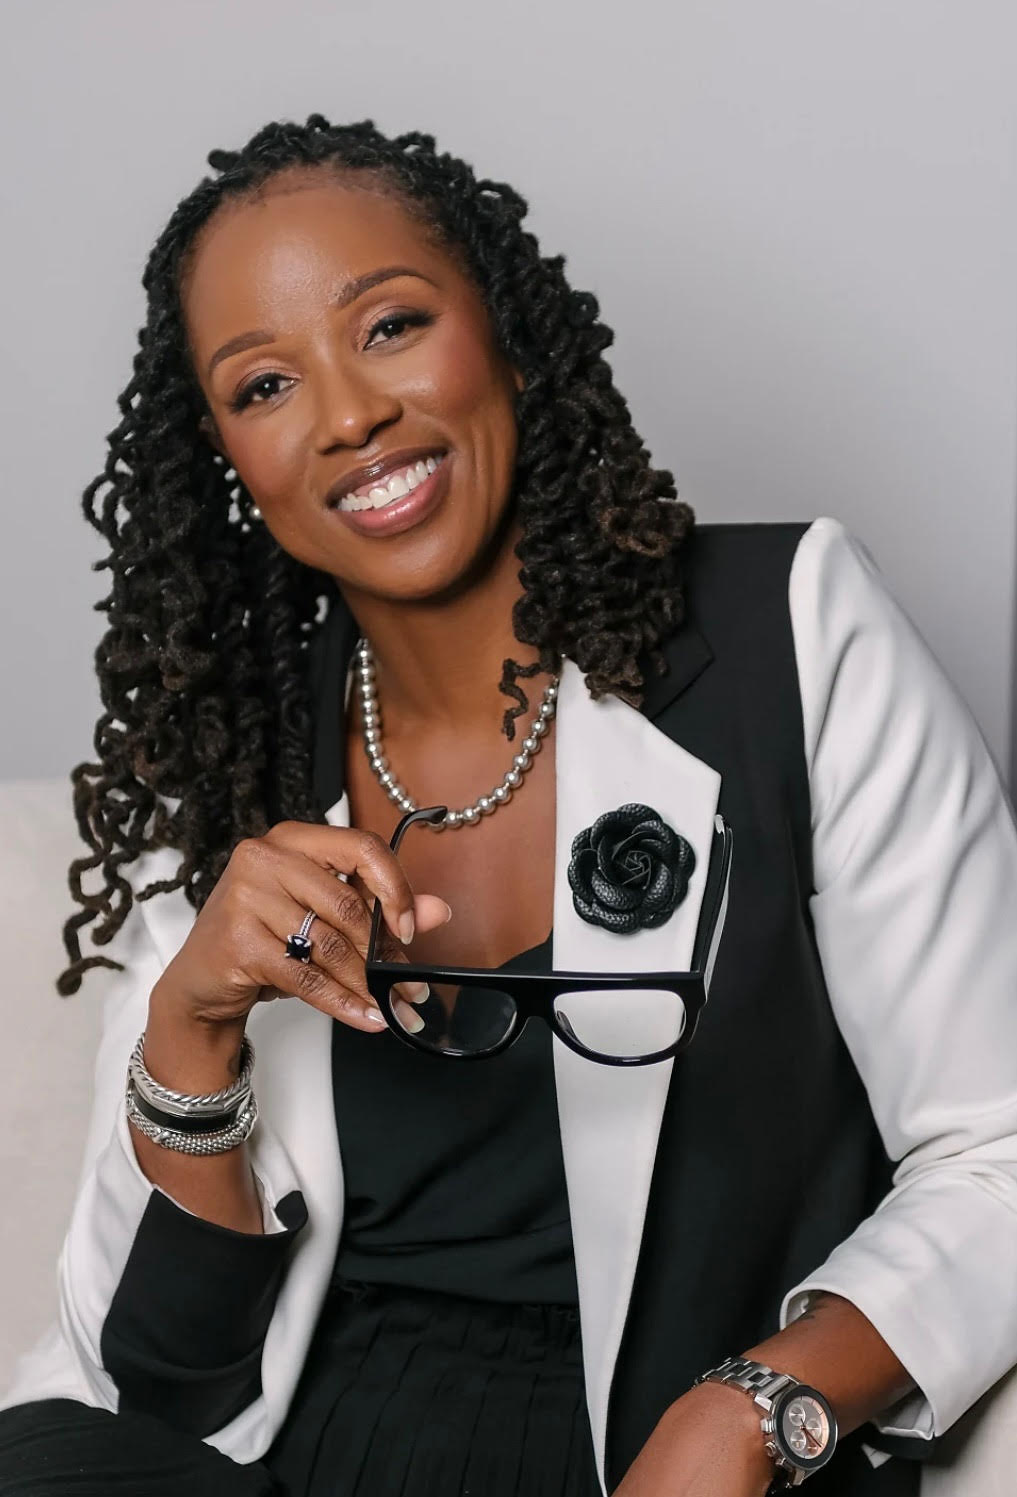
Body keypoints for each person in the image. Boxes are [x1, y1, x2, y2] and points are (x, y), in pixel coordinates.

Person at [1, 113, 1016, 1497]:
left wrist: (752, 1411)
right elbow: (158, 1377)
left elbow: (996, 1150)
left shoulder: (786, 634)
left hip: (650, 1452)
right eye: (265, 385)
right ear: (225, 457)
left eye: (391, 325)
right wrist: (191, 1026)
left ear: (508, 335)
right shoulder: (232, 755)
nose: (347, 415)